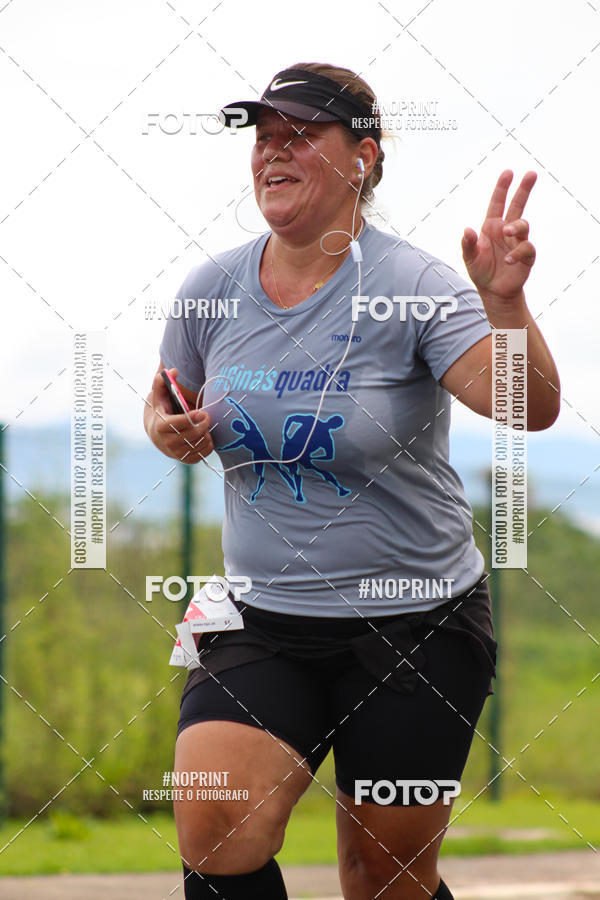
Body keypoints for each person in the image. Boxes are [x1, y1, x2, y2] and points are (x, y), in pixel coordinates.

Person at [143, 62, 560, 900]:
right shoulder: (211, 290)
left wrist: (506, 309)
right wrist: (168, 432)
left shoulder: (417, 287)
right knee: (214, 827)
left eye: (299, 135)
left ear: (362, 158)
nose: (273, 152)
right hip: (260, 618)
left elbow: (527, 408)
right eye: (263, 137)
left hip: (416, 624)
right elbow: (167, 408)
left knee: (382, 877)